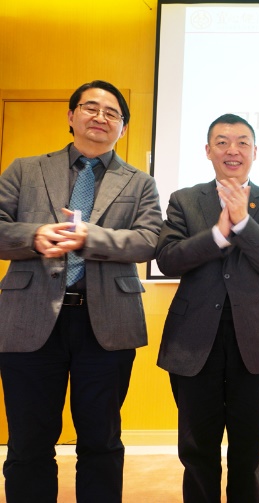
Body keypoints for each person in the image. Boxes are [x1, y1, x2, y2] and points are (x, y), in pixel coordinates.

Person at [0, 80, 162, 502]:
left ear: (123, 127)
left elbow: (148, 240)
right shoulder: (25, 169)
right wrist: (34, 235)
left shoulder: (140, 183)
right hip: (29, 319)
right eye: (90, 108)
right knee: (28, 441)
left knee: (101, 440)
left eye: (112, 113)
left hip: (106, 323)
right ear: (71, 116)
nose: (100, 117)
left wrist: (91, 237)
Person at [156, 113, 259, 503]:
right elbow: (168, 260)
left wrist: (244, 223)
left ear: (254, 151)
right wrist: (217, 234)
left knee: (249, 447)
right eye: (222, 142)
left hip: (256, 337)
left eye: (242, 142)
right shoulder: (184, 200)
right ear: (208, 150)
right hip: (194, 337)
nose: (233, 150)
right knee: (197, 447)